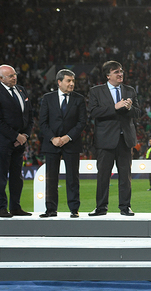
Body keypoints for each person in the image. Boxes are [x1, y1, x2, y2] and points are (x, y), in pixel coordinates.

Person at [88, 61, 140, 216]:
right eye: (116, 72)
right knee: (103, 175)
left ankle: (125, 207)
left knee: (125, 176)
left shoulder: (129, 90)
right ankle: (101, 207)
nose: (120, 74)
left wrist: (130, 108)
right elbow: (93, 112)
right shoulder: (96, 91)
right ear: (108, 75)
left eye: (121, 71)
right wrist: (114, 108)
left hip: (125, 140)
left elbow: (138, 113)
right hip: (105, 140)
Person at [38, 69, 87, 218]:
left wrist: (67, 137)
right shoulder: (47, 98)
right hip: (52, 144)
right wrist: (53, 138)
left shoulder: (79, 99)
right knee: (51, 178)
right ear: (59, 82)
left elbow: (82, 122)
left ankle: (74, 209)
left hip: (71, 143)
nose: (72, 84)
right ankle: (51, 210)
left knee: (73, 178)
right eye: (68, 81)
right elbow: (42, 122)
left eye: (73, 81)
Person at [0, 65, 33, 218]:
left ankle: (15, 207)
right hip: (2, 142)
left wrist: (25, 135)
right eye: (10, 76)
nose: (14, 77)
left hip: (20, 142)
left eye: (15, 74)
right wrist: (16, 136)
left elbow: (29, 115)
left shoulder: (21, 90)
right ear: (1, 78)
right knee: (1, 177)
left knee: (16, 177)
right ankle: (1, 208)